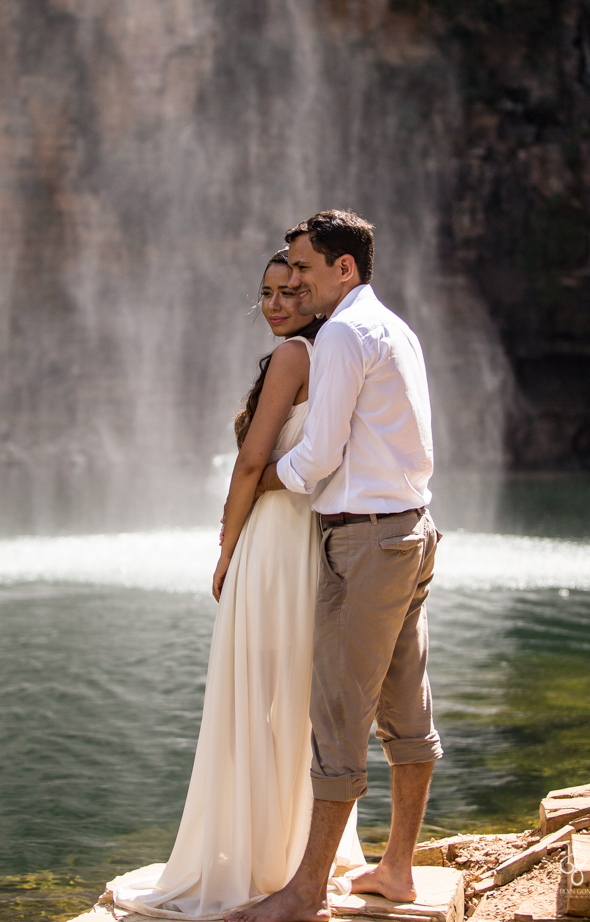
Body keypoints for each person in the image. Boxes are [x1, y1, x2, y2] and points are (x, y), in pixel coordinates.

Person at [107, 251, 364, 919]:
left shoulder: (293, 358)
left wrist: (225, 549)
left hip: (272, 543)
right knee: (295, 698)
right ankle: (289, 855)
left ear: (315, 293)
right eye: (267, 293)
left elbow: (252, 462)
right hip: (306, 542)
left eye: (290, 291)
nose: (276, 304)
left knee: (257, 694)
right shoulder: (332, 354)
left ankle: (253, 859)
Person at [226, 210, 443, 922]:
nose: (298, 284)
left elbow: (317, 460)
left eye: (308, 271)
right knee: (405, 709)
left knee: (339, 715)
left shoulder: (346, 333)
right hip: (412, 529)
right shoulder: (396, 328)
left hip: (367, 541)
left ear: (344, 268)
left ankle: (305, 890)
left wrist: (260, 480)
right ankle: (398, 869)